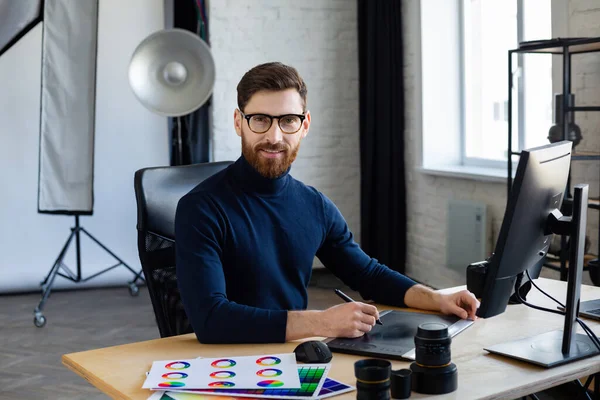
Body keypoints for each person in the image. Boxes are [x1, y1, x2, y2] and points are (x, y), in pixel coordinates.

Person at [175, 62, 479, 344]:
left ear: (304, 125)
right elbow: (210, 319)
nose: (274, 135)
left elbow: (368, 275)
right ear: (239, 123)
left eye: (288, 121)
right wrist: (321, 323)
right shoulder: (201, 208)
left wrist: (437, 298)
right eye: (260, 120)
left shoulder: (313, 205)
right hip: (223, 366)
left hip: (291, 356)